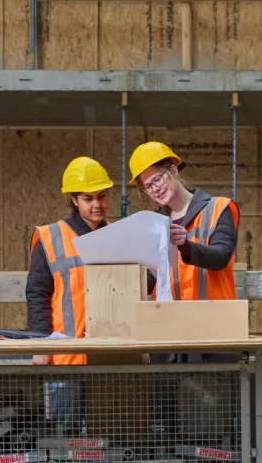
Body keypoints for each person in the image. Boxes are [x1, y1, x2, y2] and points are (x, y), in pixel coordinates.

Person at [26, 156, 113, 367]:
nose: (97, 204)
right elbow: (38, 294)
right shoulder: (50, 237)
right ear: (74, 200)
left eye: (101, 196)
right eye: (88, 198)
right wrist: (41, 345)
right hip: (66, 355)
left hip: (111, 354)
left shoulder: (116, 234)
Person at [128, 140, 238, 300]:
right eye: (147, 187)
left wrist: (187, 246)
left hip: (214, 319)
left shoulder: (218, 208)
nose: (155, 189)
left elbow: (221, 258)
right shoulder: (154, 223)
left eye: (157, 179)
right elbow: (154, 276)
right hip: (172, 320)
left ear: (173, 171)